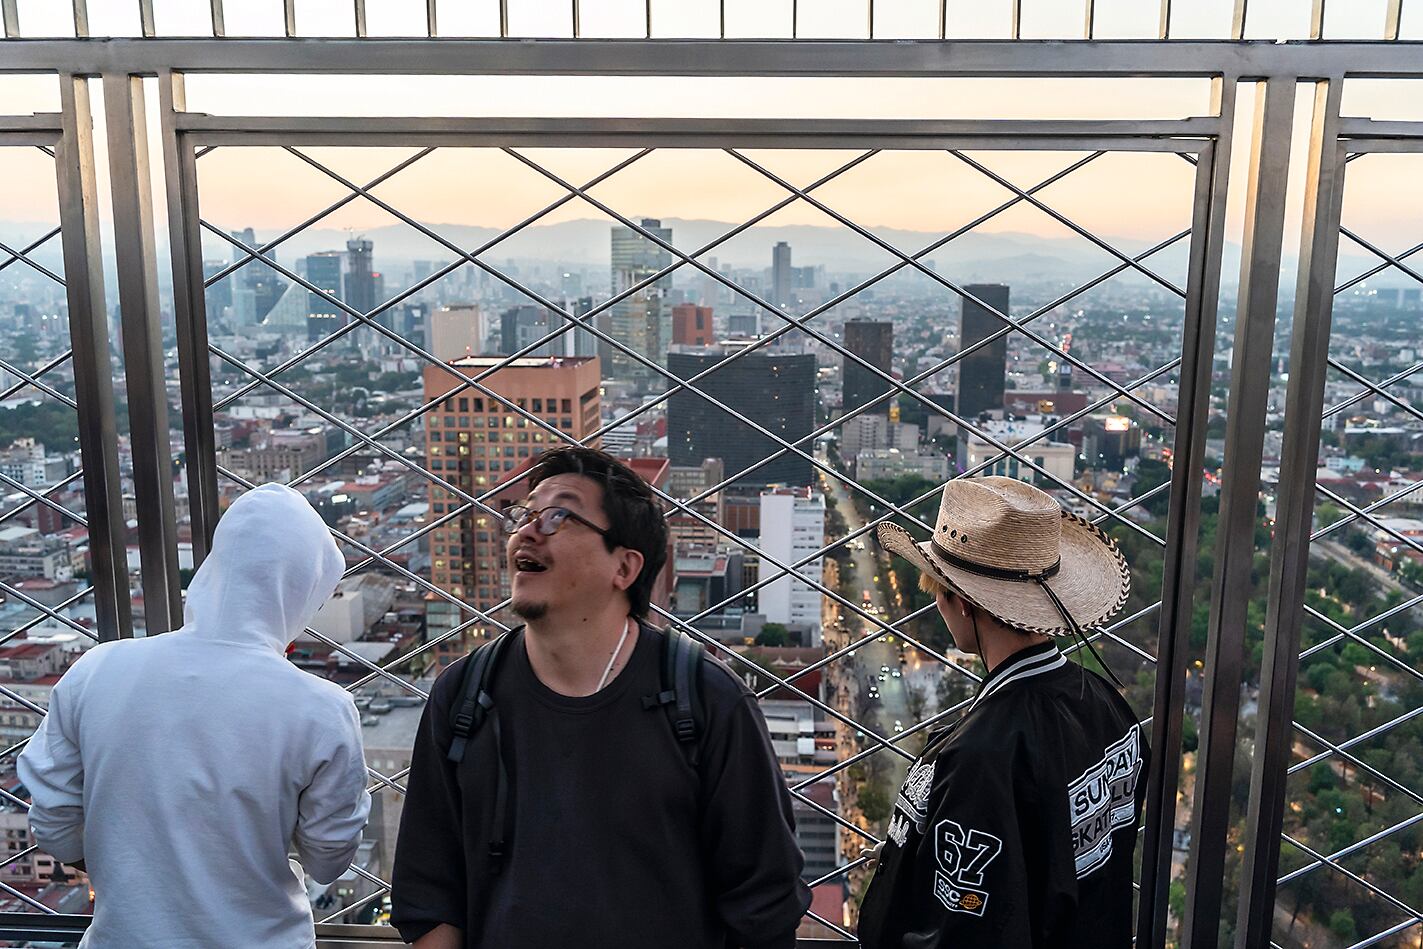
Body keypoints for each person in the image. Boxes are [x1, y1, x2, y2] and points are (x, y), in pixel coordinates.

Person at [390, 446, 810, 948]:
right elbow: (429, 892)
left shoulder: (706, 701)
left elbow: (764, 905)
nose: (527, 531)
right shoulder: (463, 695)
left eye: (559, 516)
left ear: (625, 568)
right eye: (523, 516)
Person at [18, 483, 372, 948]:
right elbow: (329, 858)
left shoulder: (97, 669)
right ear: (302, 590)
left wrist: (122, 867)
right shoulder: (321, 709)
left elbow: (53, 823)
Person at [857, 476, 1148, 948]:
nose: (936, 602)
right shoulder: (1110, 706)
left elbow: (958, 926)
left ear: (964, 603)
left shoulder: (977, 756)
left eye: (939, 588)